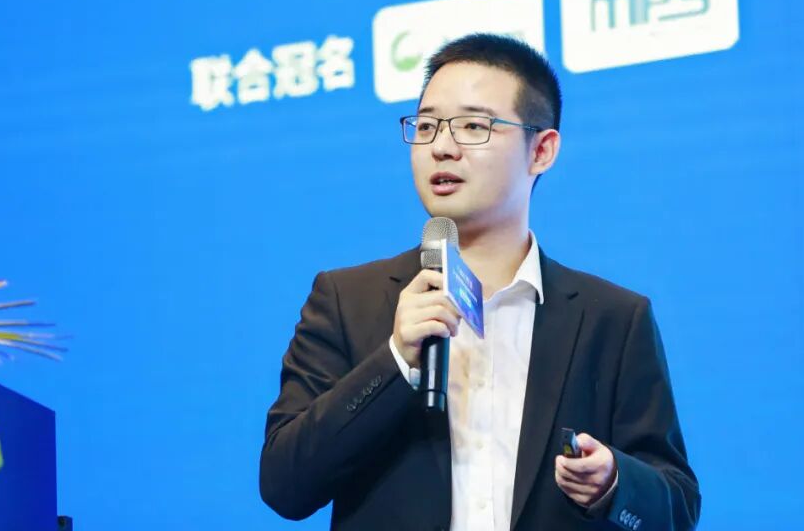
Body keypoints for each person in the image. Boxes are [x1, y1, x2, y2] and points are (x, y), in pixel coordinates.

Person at [259, 33, 700, 530]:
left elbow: (678, 506)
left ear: (542, 150)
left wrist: (615, 484)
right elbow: (284, 484)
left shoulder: (613, 319)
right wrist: (396, 361)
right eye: (427, 126)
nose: (442, 148)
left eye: (473, 126)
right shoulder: (347, 300)